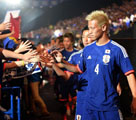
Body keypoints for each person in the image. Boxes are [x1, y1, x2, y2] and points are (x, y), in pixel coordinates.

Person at [53, 10, 136, 120]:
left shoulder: (117, 49)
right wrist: (62, 61)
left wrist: (135, 98)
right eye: (89, 28)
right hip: (89, 107)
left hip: (110, 107)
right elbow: (77, 69)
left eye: (92, 28)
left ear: (104, 27)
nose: (90, 32)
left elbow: (129, 75)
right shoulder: (87, 50)